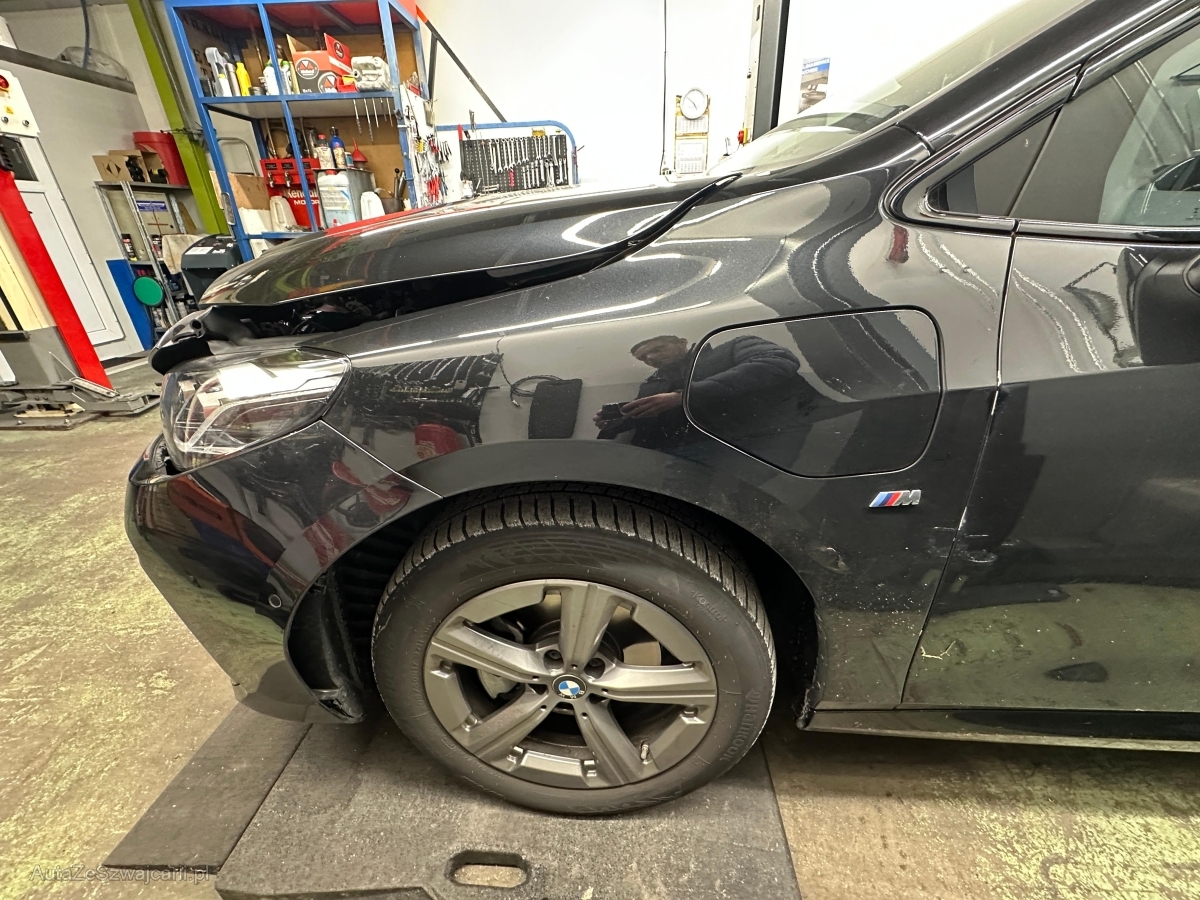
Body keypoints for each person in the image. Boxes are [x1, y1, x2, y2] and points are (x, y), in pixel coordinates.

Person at [596, 334, 815, 457]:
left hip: (742, 448)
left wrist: (683, 396)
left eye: (657, 349)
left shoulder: (731, 348)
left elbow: (777, 362)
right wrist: (619, 423)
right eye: (643, 358)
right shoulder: (652, 383)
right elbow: (651, 417)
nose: (651, 358)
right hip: (666, 459)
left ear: (681, 342)